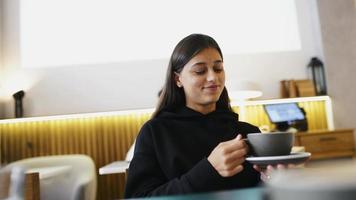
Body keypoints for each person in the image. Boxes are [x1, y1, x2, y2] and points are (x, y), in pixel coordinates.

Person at [125, 33, 271, 198]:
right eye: (200, 71)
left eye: (218, 68)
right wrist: (209, 170)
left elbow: (263, 193)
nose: (213, 77)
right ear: (177, 79)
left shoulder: (248, 133)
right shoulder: (155, 132)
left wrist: (273, 179)